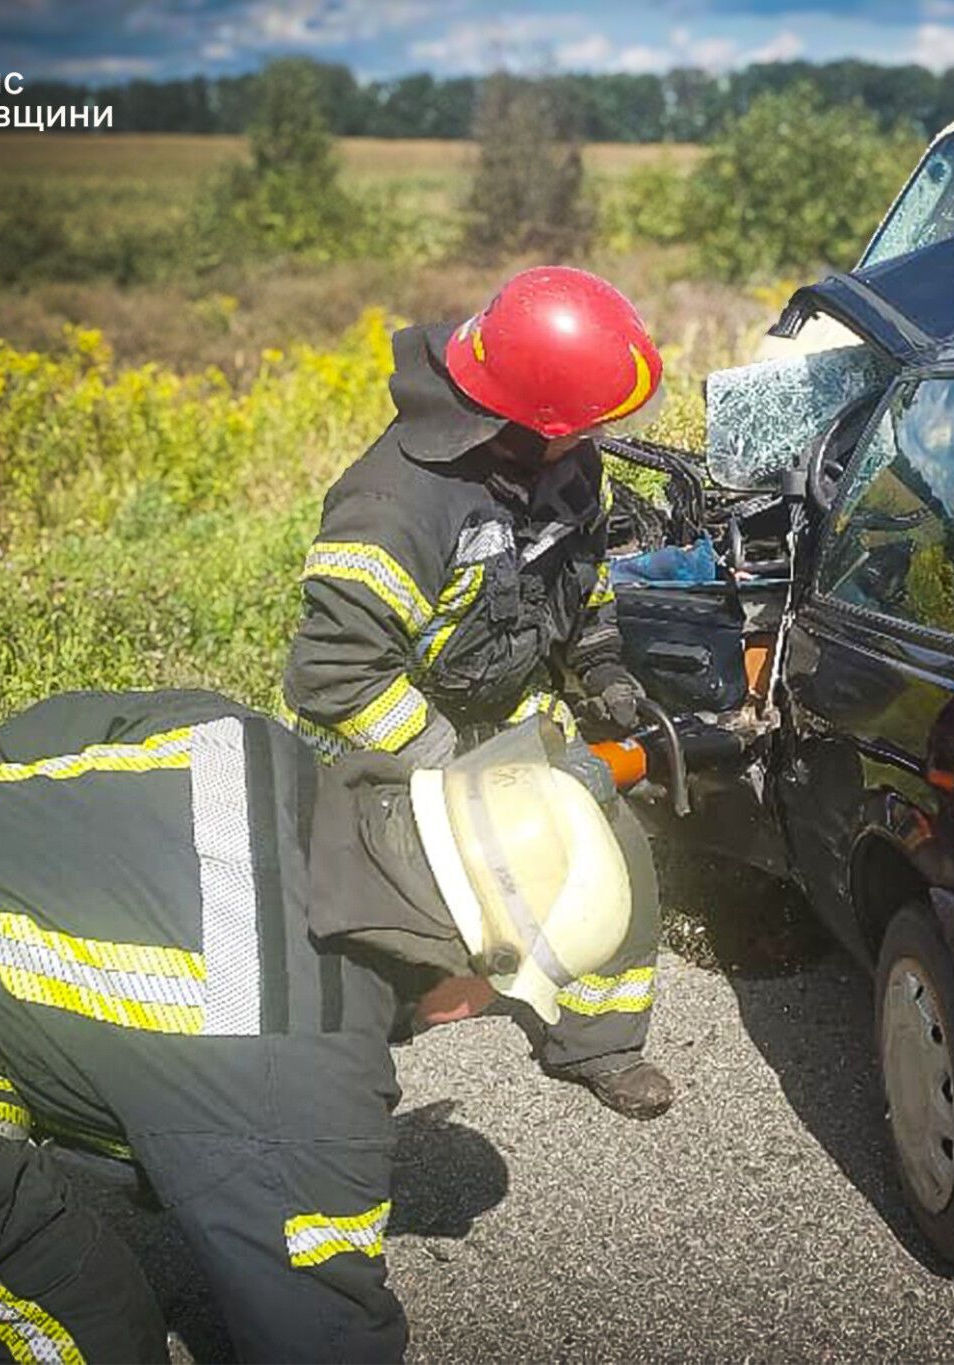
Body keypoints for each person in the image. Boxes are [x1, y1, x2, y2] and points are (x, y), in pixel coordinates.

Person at [0, 689, 649, 1362]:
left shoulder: (247, 740)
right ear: (475, 979)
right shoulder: (300, 1069)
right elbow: (318, 1335)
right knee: (88, 1333)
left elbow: (34, 732)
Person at [281, 266, 674, 1120]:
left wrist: (601, 667)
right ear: (529, 420)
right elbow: (332, 672)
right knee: (367, 921)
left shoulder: (570, 469)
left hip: (505, 709)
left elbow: (584, 585)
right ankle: (336, 1077)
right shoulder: (394, 504)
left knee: (614, 843)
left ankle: (598, 1042)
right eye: (590, 421)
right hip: (389, 737)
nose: (601, 434)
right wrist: (459, 774)